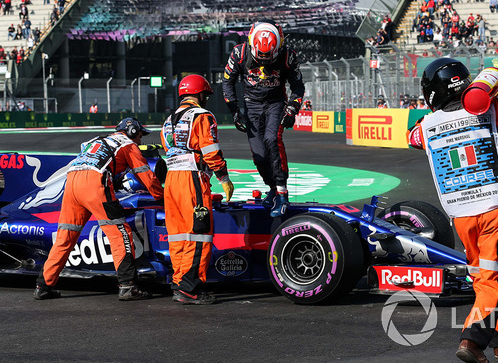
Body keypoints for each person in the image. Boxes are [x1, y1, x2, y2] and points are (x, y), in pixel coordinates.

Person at [407, 57, 498, 363]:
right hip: (495, 206)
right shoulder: (493, 111)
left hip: (462, 214)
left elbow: (412, 137)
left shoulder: (424, 128)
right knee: (492, 278)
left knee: (485, 278)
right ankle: (472, 340)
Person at [34, 117, 164, 301]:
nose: (140, 141)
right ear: (133, 132)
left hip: (71, 183)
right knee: (120, 234)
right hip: (94, 184)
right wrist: (162, 197)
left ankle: (43, 285)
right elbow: (146, 176)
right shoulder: (128, 144)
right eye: (140, 135)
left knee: (65, 237)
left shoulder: (95, 141)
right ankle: (128, 286)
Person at [161, 74, 233, 304]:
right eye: (206, 95)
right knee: (199, 233)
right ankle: (191, 288)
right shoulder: (203, 116)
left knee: (178, 236)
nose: (206, 99)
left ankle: (179, 282)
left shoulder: (168, 120)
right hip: (192, 179)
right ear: (200, 94)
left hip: (171, 181)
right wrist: (224, 177)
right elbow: (210, 150)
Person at [222, 21, 304, 217]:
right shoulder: (239, 54)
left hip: (276, 103)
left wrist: (292, 109)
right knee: (258, 155)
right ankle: (273, 189)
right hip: (251, 106)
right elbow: (227, 82)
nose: (264, 65)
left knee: (272, 139)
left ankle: (283, 193)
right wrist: (234, 110)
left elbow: (298, 86)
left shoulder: (288, 56)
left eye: (269, 59)